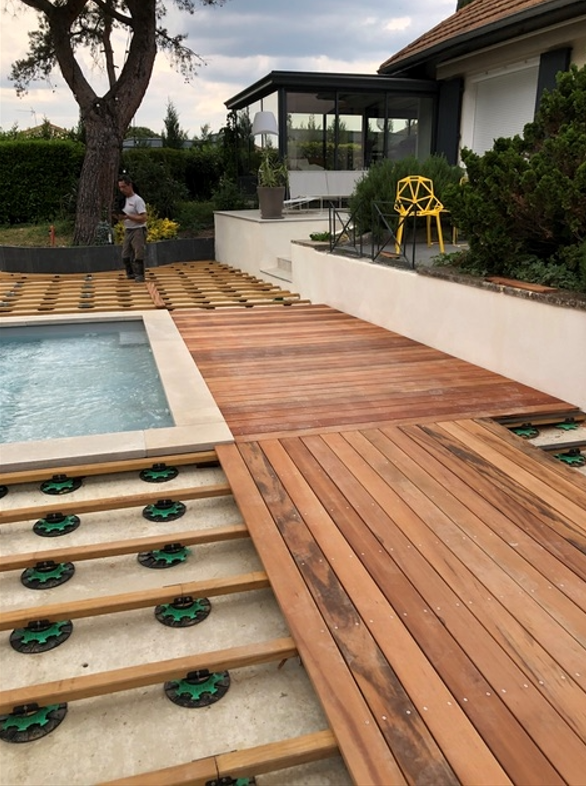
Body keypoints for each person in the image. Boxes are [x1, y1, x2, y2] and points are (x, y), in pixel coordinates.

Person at [114, 175, 147, 282]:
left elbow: (143, 218)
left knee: (138, 252)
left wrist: (129, 217)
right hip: (128, 229)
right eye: (120, 187)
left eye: (124, 187)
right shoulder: (123, 200)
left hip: (138, 229)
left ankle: (139, 275)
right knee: (125, 254)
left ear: (130, 185)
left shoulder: (137, 200)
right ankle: (130, 273)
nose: (122, 189)